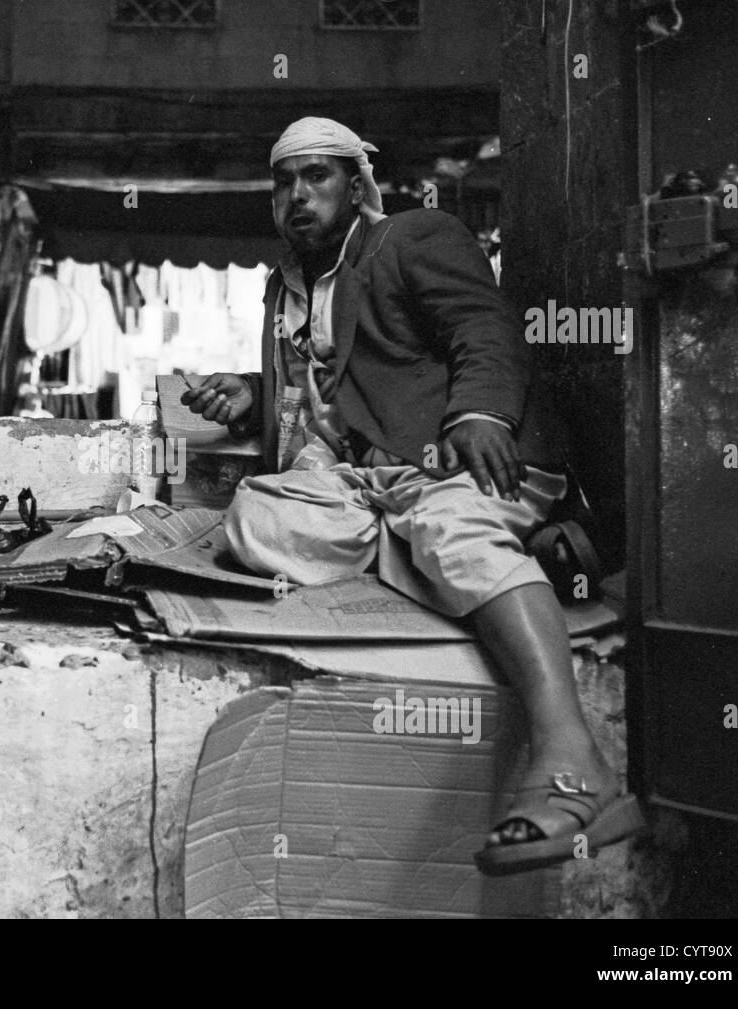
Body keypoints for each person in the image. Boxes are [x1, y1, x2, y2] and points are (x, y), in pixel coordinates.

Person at [181, 116, 642, 875]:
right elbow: (346, 383)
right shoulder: (285, 287)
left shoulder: (412, 237)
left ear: (356, 184)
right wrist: (255, 389)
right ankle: (457, 553)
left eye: (318, 176)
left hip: (466, 456)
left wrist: (479, 413)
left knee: (445, 522)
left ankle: (573, 757)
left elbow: (484, 330)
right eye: (283, 182)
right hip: (367, 477)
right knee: (255, 519)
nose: (298, 196)